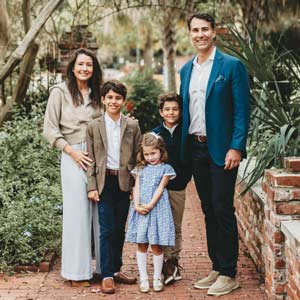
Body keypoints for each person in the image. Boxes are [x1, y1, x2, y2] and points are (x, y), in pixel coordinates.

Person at [179, 13, 250, 296]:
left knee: (222, 208)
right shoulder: (186, 70)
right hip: (196, 147)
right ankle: (217, 267)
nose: (200, 35)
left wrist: (237, 146)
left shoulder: (232, 66)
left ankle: (230, 272)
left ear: (214, 32)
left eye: (205, 29)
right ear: (190, 34)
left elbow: (242, 111)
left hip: (222, 149)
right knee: (208, 209)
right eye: (195, 30)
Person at [43, 48, 102, 286]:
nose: (84, 68)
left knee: (102, 214)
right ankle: (77, 273)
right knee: (78, 214)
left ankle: (107, 270)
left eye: (89, 64)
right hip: (73, 153)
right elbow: (50, 129)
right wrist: (72, 152)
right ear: (73, 66)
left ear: (94, 68)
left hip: (99, 154)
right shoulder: (60, 92)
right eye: (80, 64)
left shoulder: (98, 92)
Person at [86, 80, 141, 294]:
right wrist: (91, 186)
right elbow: (90, 159)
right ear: (102, 100)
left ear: (123, 101)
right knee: (106, 229)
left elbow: (138, 157)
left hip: (124, 181)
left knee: (119, 229)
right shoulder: (93, 126)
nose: (113, 101)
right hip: (103, 182)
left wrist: (135, 185)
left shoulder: (133, 125)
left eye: (118, 98)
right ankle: (107, 274)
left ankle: (117, 270)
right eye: (109, 97)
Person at [126, 132, 176, 293]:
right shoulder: (140, 169)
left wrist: (150, 205)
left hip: (157, 209)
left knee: (156, 244)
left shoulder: (166, 169)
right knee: (141, 243)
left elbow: (161, 188)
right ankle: (143, 278)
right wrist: (137, 205)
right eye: (146, 154)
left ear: (161, 151)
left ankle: (156, 277)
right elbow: (137, 187)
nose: (150, 157)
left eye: (153, 153)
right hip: (140, 208)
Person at [152, 93, 191, 285]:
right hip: (158, 189)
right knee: (160, 226)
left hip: (178, 188)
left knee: (175, 226)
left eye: (175, 109)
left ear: (181, 111)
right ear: (161, 112)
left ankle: (173, 262)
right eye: (167, 109)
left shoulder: (187, 131)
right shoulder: (155, 134)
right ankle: (162, 263)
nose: (171, 112)